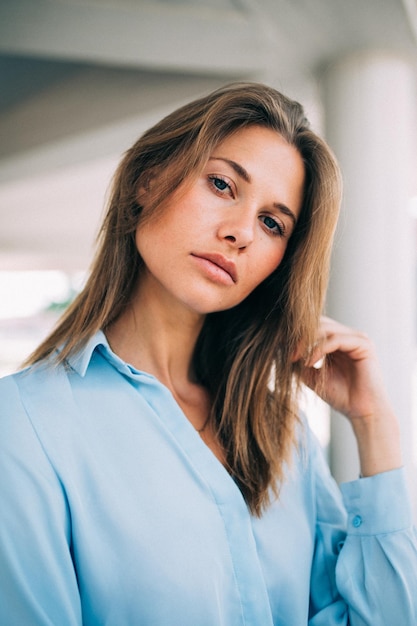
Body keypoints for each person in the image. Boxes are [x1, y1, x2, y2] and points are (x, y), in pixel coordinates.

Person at [0, 82, 416, 626]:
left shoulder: (281, 432)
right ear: (148, 181)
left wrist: (372, 422)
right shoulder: (24, 424)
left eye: (273, 223)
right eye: (222, 184)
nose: (241, 232)